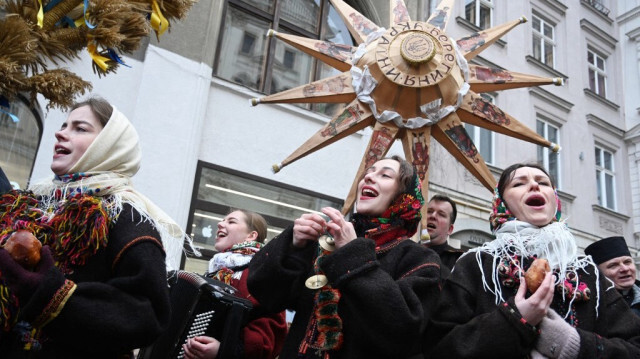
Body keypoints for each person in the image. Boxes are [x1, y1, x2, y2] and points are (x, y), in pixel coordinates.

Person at [0, 97, 181, 358]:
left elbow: (148, 314)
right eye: (64, 125)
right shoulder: (35, 202)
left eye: (79, 128)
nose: (60, 133)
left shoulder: (127, 216)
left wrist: (51, 294)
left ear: (108, 146)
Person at [425, 163, 640, 359]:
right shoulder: (478, 264)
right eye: (519, 183)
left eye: (543, 182)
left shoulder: (587, 273)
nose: (535, 186)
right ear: (501, 203)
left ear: (554, 200)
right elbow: (438, 346)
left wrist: (575, 344)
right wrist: (513, 320)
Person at [247, 155, 446, 359]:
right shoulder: (327, 244)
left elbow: (404, 330)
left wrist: (352, 253)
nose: (368, 178)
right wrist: (294, 245)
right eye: (368, 172)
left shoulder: (420, 258)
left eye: (385, 175)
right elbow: (267, 295)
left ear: (403, 198)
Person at [183, 209, 287, 359]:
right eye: (222, 220)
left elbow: (268, 336)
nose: (220, 224)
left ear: (251, 236)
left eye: (231, 221)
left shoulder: (260, 274)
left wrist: (224, 350)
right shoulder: (216, 272)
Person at [585, 236, 640, 317]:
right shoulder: (589, 304)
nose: (624, 269)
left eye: (627, 262)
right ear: (598, 273)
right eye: (613, 265)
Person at [423, 194, 464, 273]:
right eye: (430, 211)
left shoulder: (457, 261)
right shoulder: (405, 250)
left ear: (450, 229)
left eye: (441, 214)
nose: (433, 216)